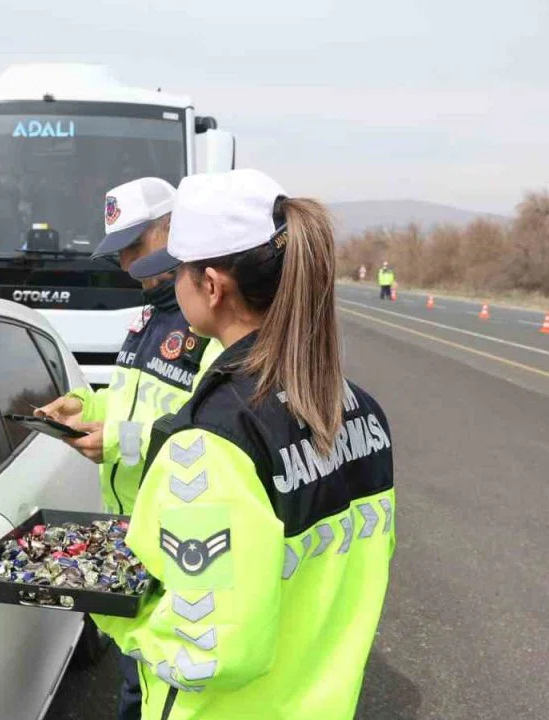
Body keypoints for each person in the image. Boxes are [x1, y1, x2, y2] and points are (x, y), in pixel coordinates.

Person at [92, 168, 396, 719]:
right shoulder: (362, 412)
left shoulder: (211, 440)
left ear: (211, 285)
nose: (171, 284)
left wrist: (119, 614)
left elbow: (207, 652)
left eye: (176, 270)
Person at [36, 176, 222, 720]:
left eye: (135, 248)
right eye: (118, 252)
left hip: (179, 538)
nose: (125, 266)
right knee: (133, 676)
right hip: (128, 531)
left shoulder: (209, 325)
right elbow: (132, 400)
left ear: (173, 230)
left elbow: (212, 436)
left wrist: (119, 441)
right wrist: (82, 407)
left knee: (156, 690)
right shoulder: (147, 316)